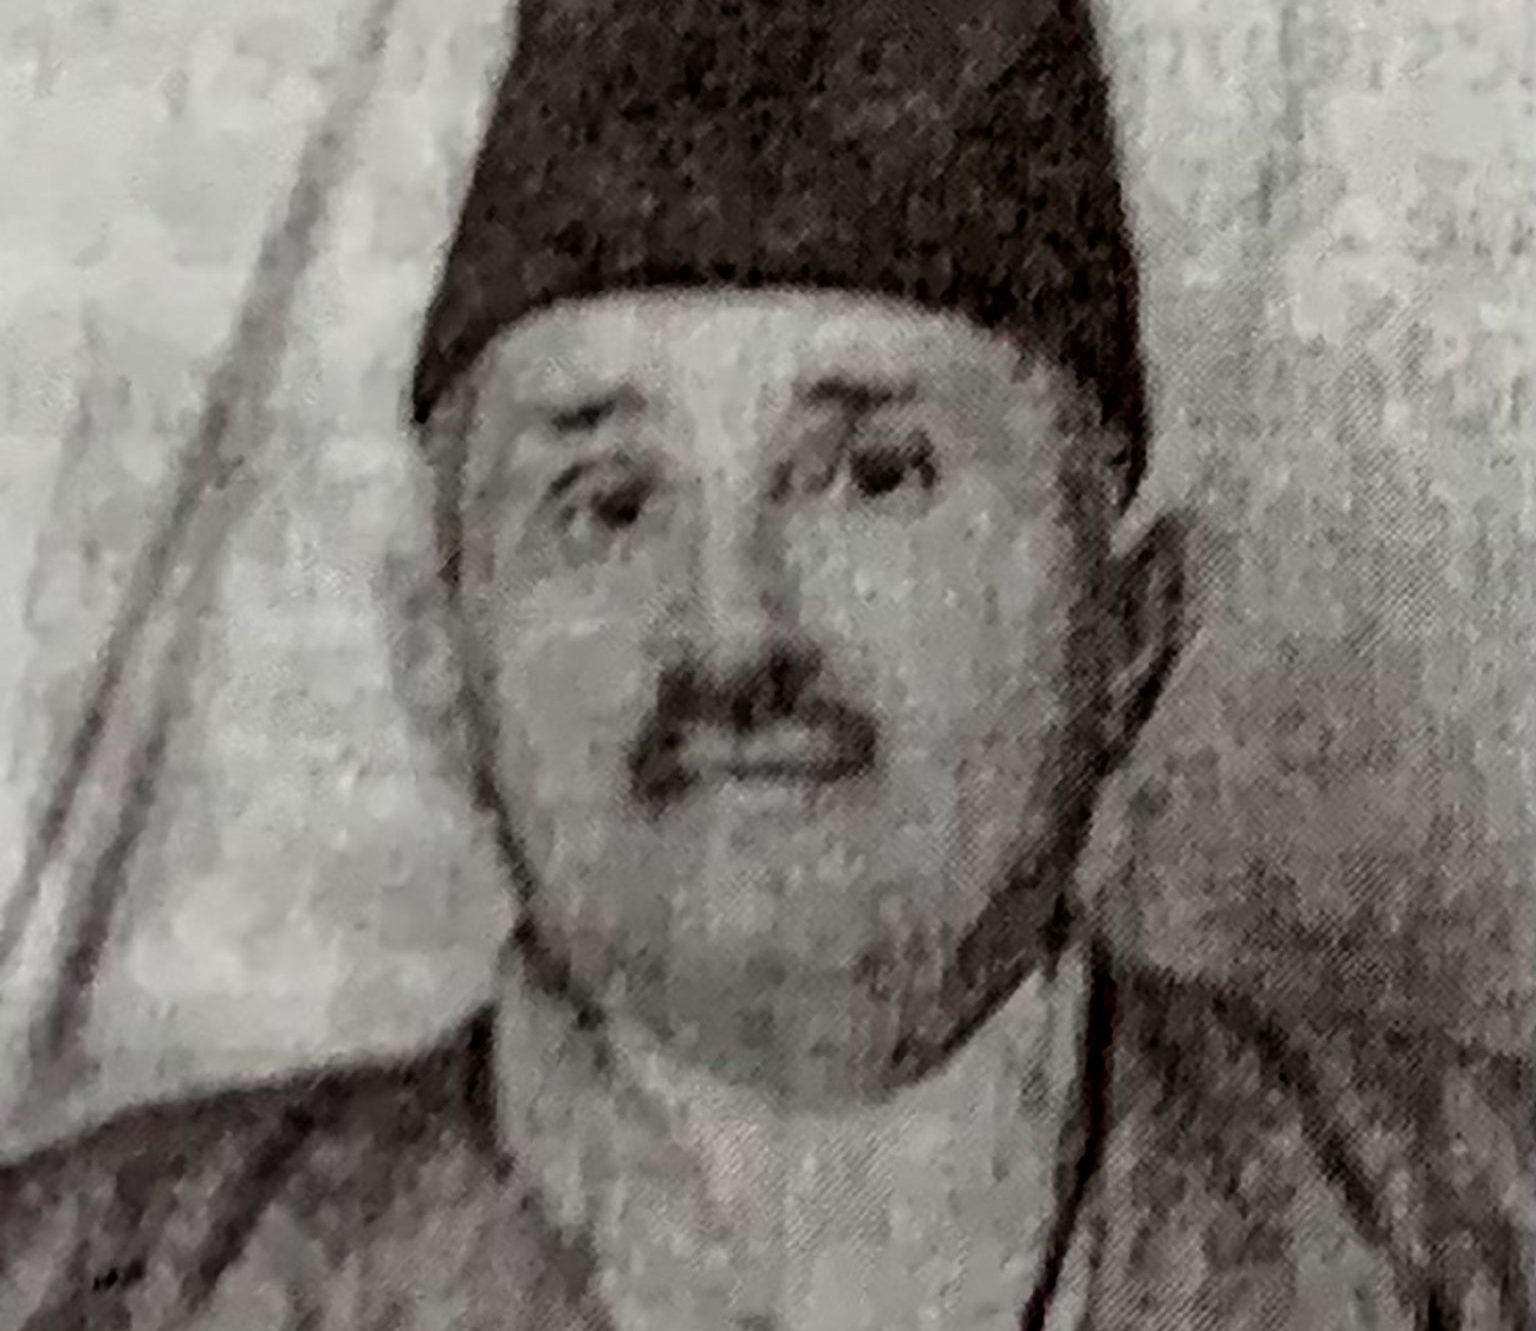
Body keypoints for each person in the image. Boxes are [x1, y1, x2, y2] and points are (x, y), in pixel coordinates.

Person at [2, 2, 1529, 1328]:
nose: (734, 635)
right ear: (440, 657)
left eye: (874, 475)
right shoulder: (78, 1287)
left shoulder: (1483, 1251)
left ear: (1129, 627)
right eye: (608, 503)